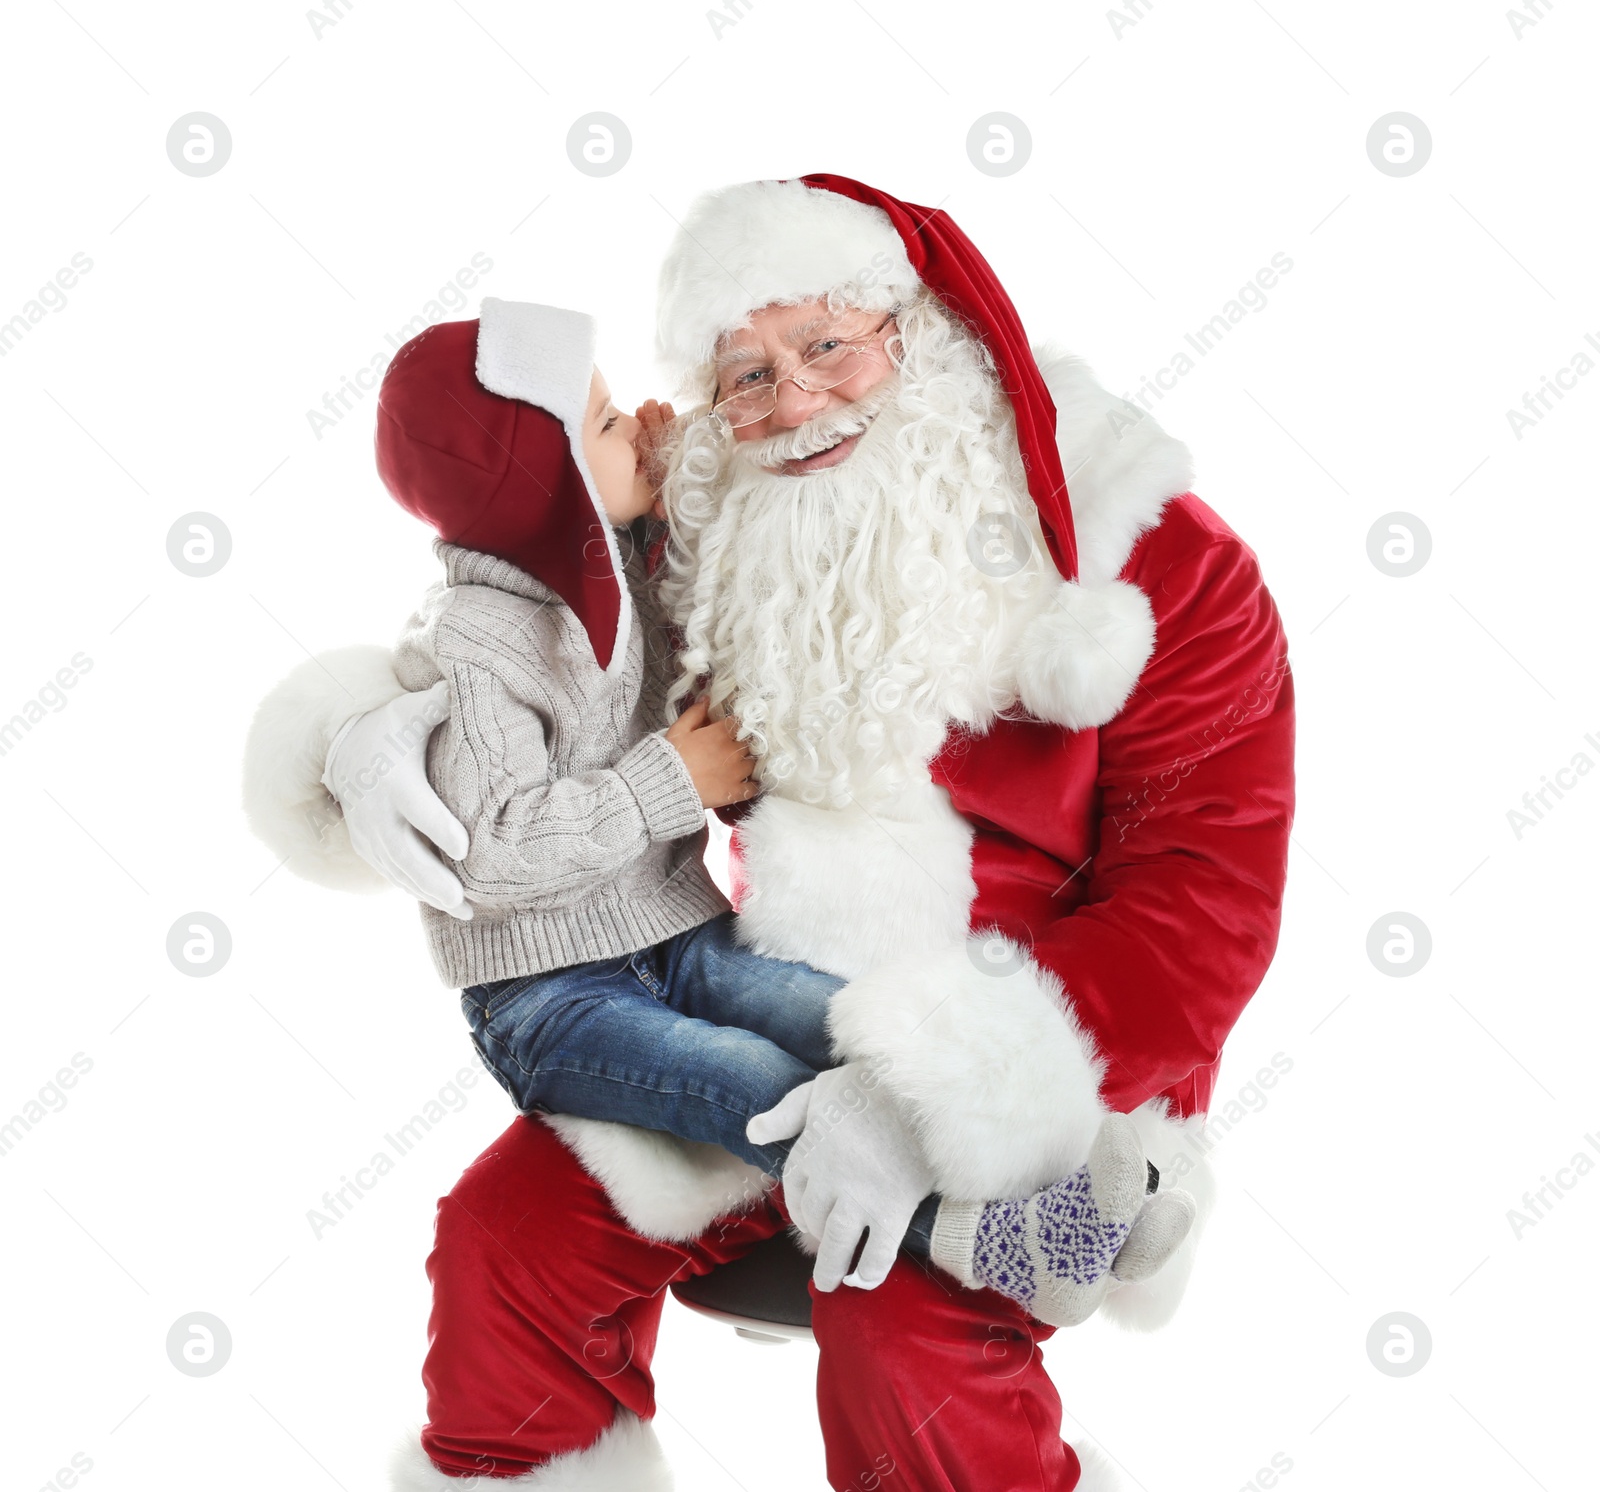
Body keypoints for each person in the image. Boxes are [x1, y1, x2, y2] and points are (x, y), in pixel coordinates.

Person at [244, 177, 1296, 1491]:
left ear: (928, 334)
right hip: (745, 1014)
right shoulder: (738, 535)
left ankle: (1063, 1222)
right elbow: (526, 600)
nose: (793, 405)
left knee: (898, 1327)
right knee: (505, 1240)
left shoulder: (1156, 562)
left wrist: (925, 1092)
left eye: (828, 347)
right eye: (745, 375)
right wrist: (367, 729)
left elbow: (1201, 905)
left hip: (1042, 1067)